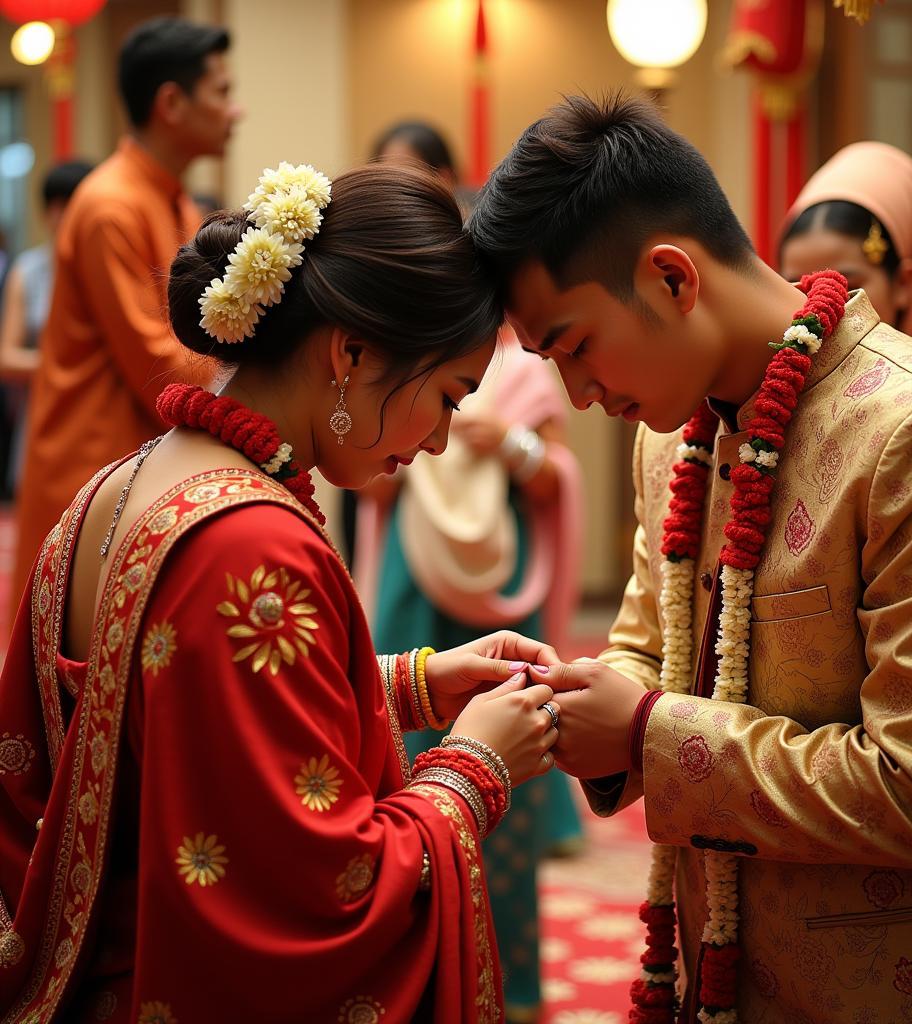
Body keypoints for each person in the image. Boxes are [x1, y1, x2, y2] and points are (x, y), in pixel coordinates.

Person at [468, 94, 912, 1023]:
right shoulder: (671, 439)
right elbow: (650, 641)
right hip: (713, 969)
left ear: (672, 278)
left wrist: (646, 732)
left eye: (575, 348)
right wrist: (575, 700)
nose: (577, 391)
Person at [0, 159, 563, 1022]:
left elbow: (184, 713)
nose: (444, 441)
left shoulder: (118, 488)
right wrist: (475, 766)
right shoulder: (251, 545)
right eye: (448, 397)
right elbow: (317, 894)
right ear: (350, 352)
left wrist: (417, 683)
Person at [357, 327, 584, 1022]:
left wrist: (507, 445)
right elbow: (372, 485)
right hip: (416, 580)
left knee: (510, 771)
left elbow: (556, 473)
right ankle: (408, 981)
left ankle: (508, 987)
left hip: (500, 577)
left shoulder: (523, 375)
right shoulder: (408, 366)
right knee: (396, 760)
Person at [10, 16, 242, 610]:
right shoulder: (110, 205)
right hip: (92, 473)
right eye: (221, 91)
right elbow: (157, 361)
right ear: (171, 102)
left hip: (140, 467)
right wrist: (267, 381)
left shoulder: (174, 199)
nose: (235, 110)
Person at [778, 141, 912, 357]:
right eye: (799, 289)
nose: (817, 311)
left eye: (845, 288)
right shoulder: (768, 381)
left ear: (903, 282)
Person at [0, 160, 93, 496]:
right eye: (58, 208)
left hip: (96, 413)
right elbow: (7, 357)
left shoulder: (101, 267)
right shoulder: (28, 271)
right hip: (47, 409)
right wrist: (77, 369)